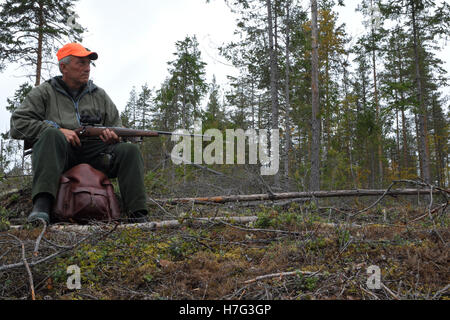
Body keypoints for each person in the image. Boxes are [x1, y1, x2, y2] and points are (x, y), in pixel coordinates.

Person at [10, 43, 148, 224]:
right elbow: (18, 124)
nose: (87, 68)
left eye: (88, 63)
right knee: (51, 136)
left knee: (129, 151)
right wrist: (57, 130)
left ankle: (138, 214)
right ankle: (41, 208)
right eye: (81, 63)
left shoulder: (100, 95)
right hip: (60, 156)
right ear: (64, 67)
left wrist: (114, 137)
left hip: (96, 154)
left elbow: (116, 126)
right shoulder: (44, 92)